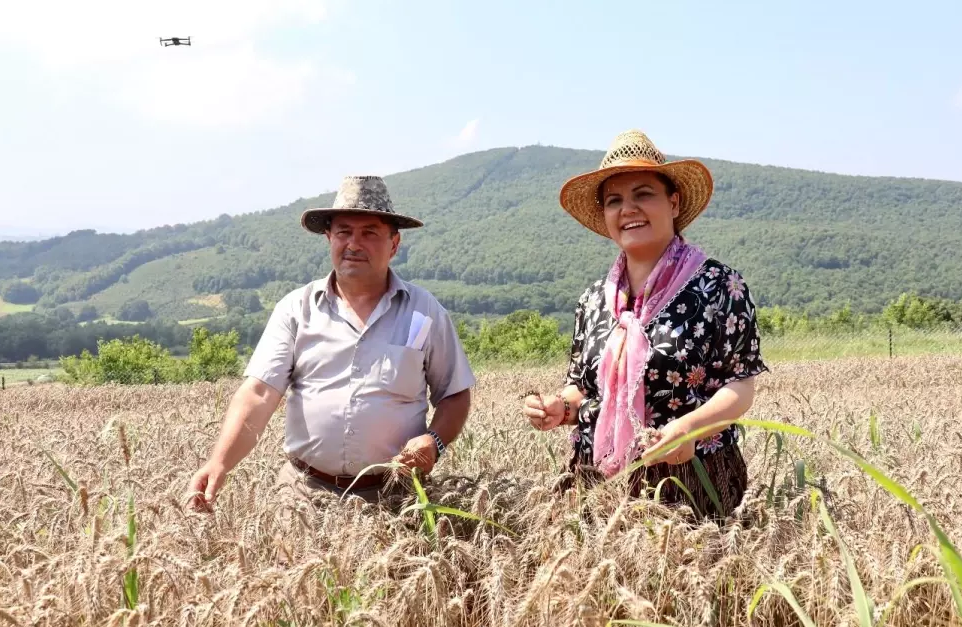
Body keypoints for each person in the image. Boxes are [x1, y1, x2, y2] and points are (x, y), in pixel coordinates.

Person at [187, 175, 475, 509]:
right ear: (329, 239)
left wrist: (434, 441)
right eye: (344, 232)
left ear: (394, 245)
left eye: (369, 233)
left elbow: (454, 394)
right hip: (303, 495)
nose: (354, 243)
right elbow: (259, 393)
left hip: (397, 497)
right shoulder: (296, 309)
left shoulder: (424, 313)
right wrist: (219, 462)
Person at [522, 130, 768, 521]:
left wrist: (690, 430)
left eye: (643, 194)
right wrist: (560, 407)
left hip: (692, 479)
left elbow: (740, 385)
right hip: (596, 481)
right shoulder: (593, 301)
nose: (628, 209)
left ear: (673, 202)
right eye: (614, 200)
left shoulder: (720, 286)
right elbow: (582, 386)